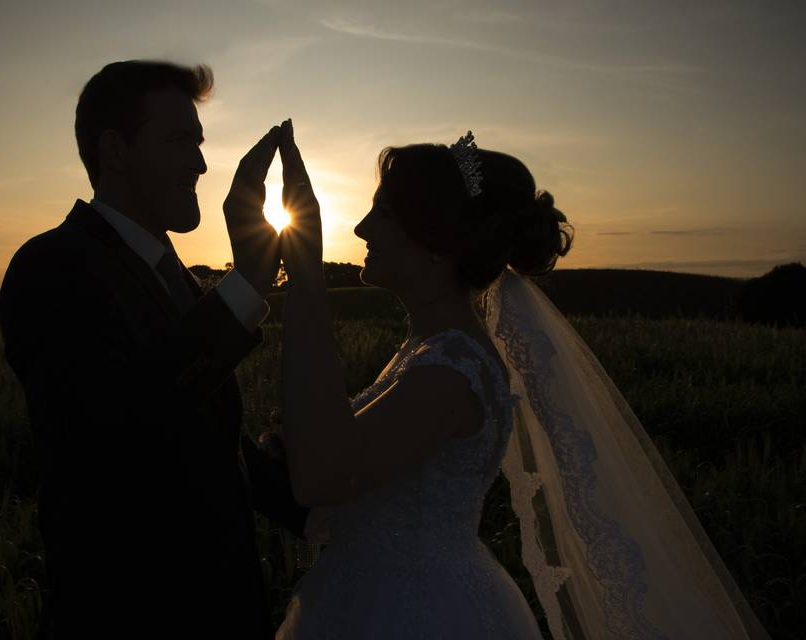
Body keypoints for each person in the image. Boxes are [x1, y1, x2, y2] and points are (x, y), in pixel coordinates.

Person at [274, 127, 770, 639]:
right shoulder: (429, 352)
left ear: (434, 245)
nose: (360, 228)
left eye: (383, 214)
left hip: (416, 615)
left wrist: (307, 277)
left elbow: (322, 477)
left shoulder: (450, 371)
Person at [0, 60, 308, 639]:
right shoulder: (51, 268)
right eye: (178, 141)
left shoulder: (174, 276)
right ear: (115, 150)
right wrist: (245, 283)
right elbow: (128, 423)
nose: (199, 162)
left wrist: (328, 506)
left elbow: (209, 442)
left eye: (199, 143)